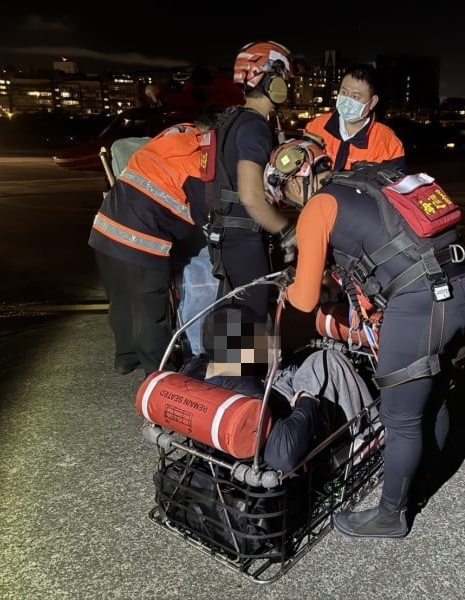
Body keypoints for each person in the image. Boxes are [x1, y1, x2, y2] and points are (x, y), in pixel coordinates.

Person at [263, 137, 465, 539]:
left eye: (286, 195)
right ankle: (421, 481)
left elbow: (305, 299)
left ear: (294, 179)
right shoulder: (361, 183)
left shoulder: (318, 206)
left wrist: (287, 292)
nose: (290, 205)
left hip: (421, 304)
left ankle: (392, 515)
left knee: (401, 418)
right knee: (433, 396)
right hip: (462, 286)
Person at [181, 303, 378, 474]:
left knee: (290, 367)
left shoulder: (203, 371)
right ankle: (368, 433)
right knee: (325, 360)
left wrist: (268, 362)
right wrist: (306, 399)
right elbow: (283, 455)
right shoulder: (248, 391)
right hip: (295, 439)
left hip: (249, 439)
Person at [88, 117, 217, 376]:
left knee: (122, 299)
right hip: (141, 242)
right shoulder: (196, 160)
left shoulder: (172, 136)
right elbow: (207, 217)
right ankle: (159, 372)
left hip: (104, 230)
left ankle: (126, 357)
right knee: (152, 311)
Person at [208, 41, 298, 322]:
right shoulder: (255, 127)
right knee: (250, 321)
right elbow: (250, 196)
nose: (287, 87)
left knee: (233, 319)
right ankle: (242, 355)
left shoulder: (231, 119)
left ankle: (227, 353)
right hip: (244, 241)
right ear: (273, 81)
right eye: (285, 80)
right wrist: (287, 231)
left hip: (225, 237)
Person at [303, 63, 406, 172]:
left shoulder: (388, 143)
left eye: (355, 97)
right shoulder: (316, 127)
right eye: (344, 92)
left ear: (372, 102)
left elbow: (396, 181)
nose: (347, 101)